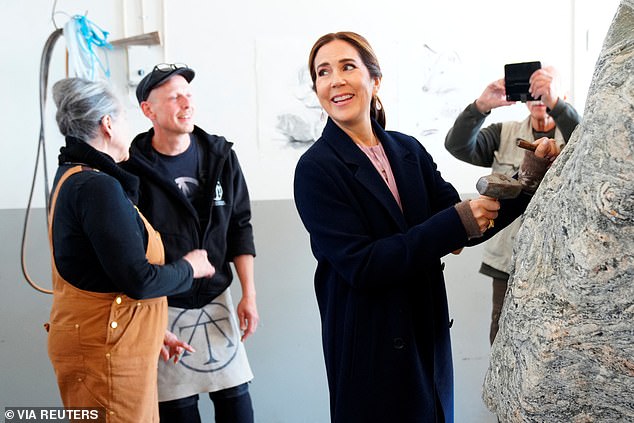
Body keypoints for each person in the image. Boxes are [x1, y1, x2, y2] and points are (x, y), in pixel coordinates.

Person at [293, 31, 561, 423]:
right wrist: (456, 222)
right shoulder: (316, 169)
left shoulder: (408, 151)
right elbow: (363, 265)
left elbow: (470, 222)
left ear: (375, 80)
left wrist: (531, 178)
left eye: (347, 66)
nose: (335, 80)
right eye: (322, 72)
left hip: (427, 338)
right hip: (370, 349)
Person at [47, 77, 215, 422]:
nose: (128, 127)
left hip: (109, 343)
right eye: (123, 117)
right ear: (107, 125)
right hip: (104, 355)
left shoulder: (74, 176)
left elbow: (101, 274)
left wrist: (152, 329)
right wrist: (190, 267)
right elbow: (137, 279)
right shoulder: (96, 186)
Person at [122, 63, 258, 423]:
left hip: (218, 297)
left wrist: (249, 293)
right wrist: (150, 317)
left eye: (189, 95)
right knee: (178, 411)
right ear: (148, 110)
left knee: (238, 404)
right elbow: (131, 251)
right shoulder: (131, 168)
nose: (186, 103)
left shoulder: (220, 155)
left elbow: (240, 226)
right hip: (165, 305)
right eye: (174, 97)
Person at [444, 66, 580, 344]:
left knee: (562, 337)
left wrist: (557, 106)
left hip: (563, 257)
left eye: (547, 89)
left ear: (562, 95)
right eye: (534, 90)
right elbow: (458, 146)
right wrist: (481, 106)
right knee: (504, 332)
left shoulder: (576, 133)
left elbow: (594, 145)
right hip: (509, 257)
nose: (540, 96)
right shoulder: (505, 133)